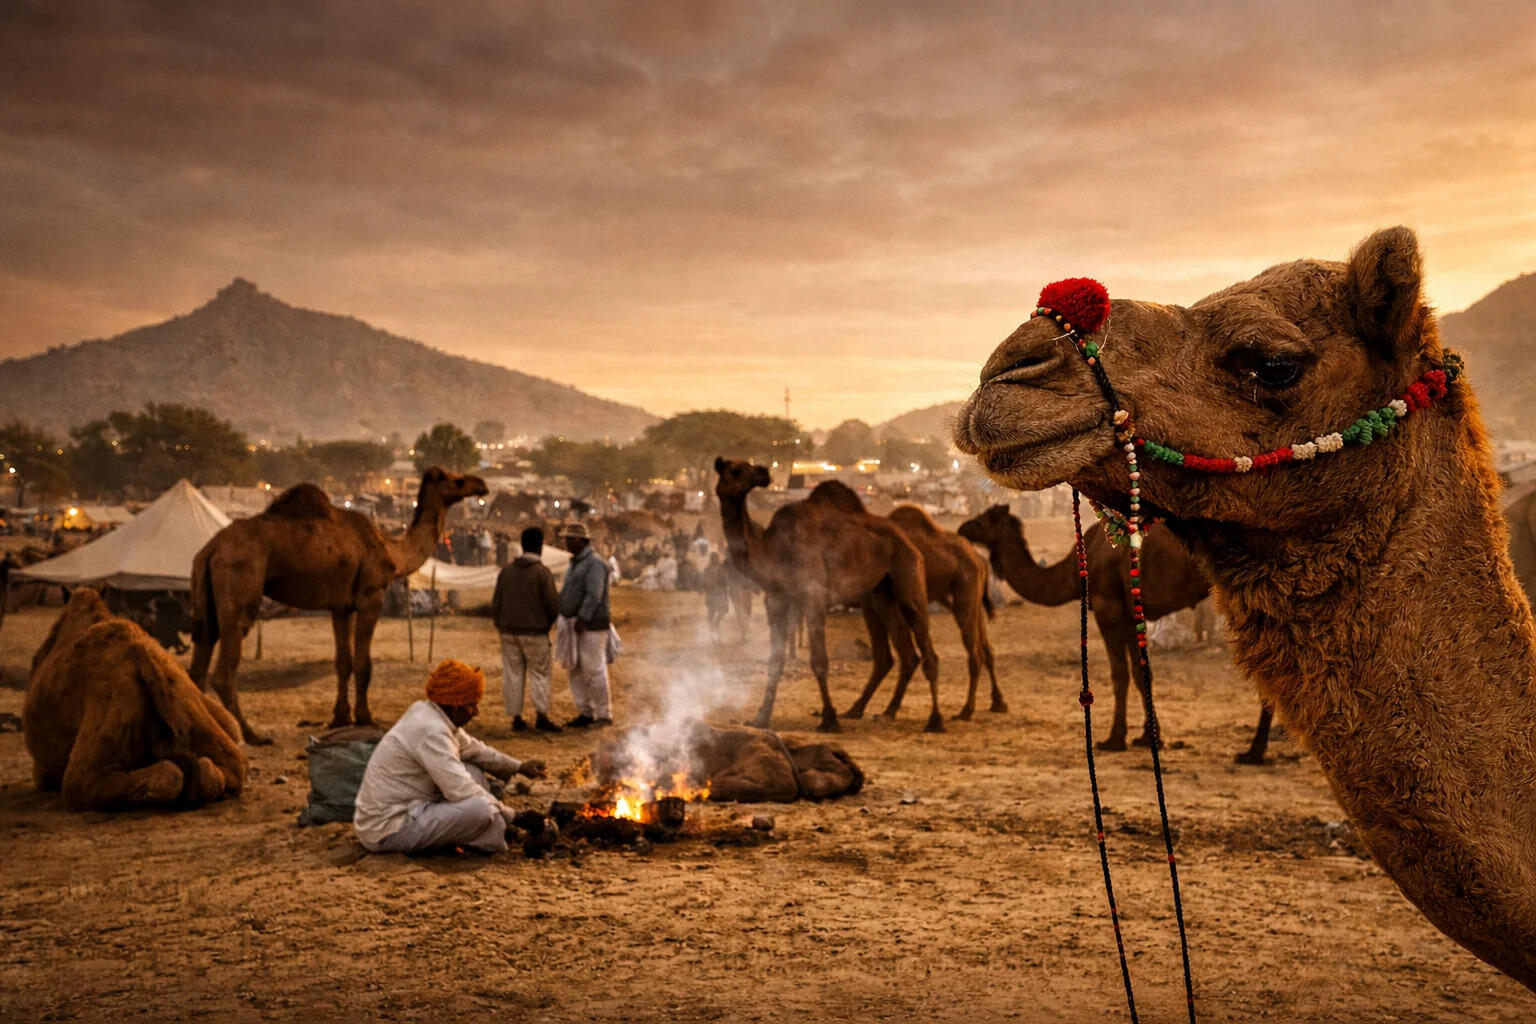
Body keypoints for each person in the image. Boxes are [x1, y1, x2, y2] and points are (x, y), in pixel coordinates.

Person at [353, 660, 545, 855]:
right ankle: (496, 833)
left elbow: (475, 750)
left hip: (411, 809)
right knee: (480, 809)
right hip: (388, 829)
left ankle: (497, 830)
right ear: (455, 707)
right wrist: (517, 817)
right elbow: (461, 790)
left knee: (472, 771)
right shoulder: (431, 731)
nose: (475, 713)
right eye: (471, 706)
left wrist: (520, 767)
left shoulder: (431, 713)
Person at [491, 527, 562, 734]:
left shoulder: (506, 571)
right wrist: (545, 625)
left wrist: (502, 624)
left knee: (512, 675)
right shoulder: (542, 573)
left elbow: (496, 603)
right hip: (535, 633)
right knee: (539, 674)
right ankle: (541, 716)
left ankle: (516, 718)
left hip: (508, 632)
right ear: (540, 546)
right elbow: (552, 605)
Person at [558, 522, 613, 728]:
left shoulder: (595, 563)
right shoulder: (576, 563)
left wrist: (583, 617)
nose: (566, 543)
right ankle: (585, 712)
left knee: (593, 669)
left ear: (579, 540)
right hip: (575, 624)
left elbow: (594, 594)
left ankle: (603, 714)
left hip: (591, 625)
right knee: (576, 669)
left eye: (568, 539)